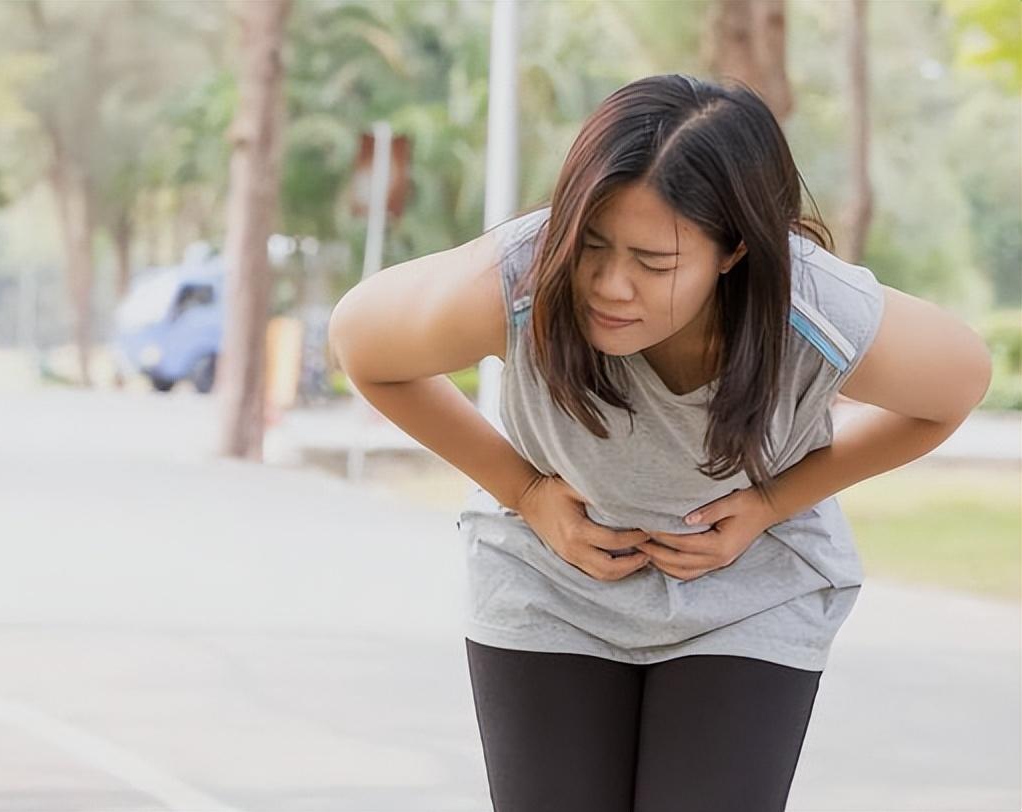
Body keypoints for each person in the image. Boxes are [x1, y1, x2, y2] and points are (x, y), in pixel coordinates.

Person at [327, 74, 992, 812]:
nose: (611, 286)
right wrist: (525, 492)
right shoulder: (520, 280)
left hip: (746, 601)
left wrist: (774, 501)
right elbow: (363, 345)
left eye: (654, 262)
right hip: (550, 589)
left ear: (735, 249)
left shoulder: (812, 310)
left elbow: (956, 387)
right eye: (592, 245)